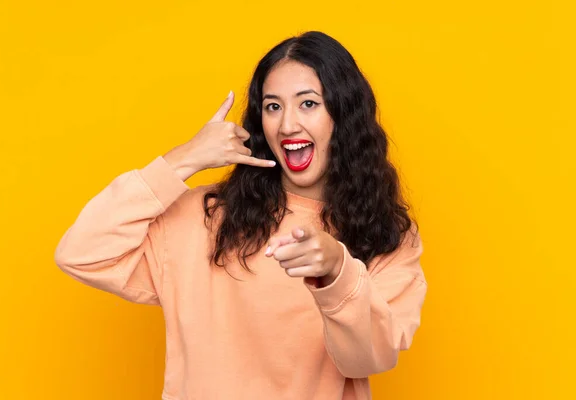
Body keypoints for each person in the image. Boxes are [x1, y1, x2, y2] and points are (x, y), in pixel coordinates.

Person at [54, 31, 427, 400]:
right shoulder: (203, 217)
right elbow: (81, 251)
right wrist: (183, 159)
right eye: (273, 106)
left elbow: (365, 359)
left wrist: (336, 270)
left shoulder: (387, 234)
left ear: (343, 115)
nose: (287, 125)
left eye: (308, 103)